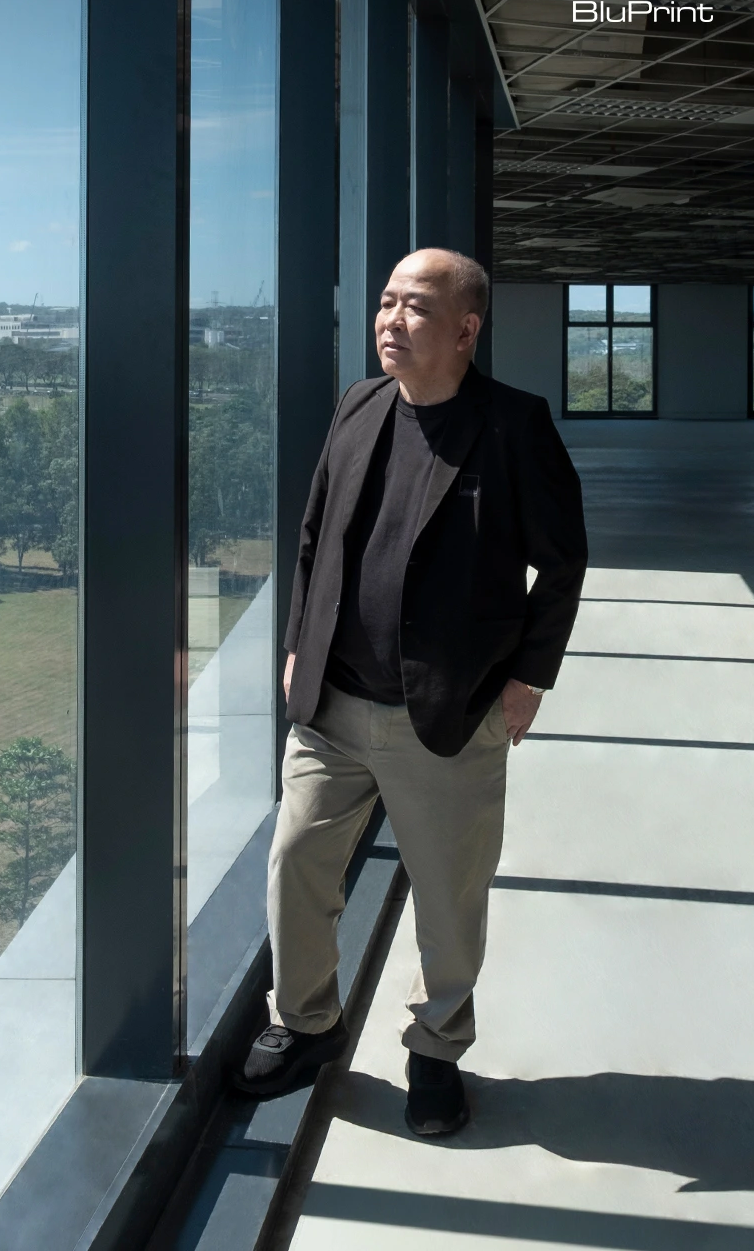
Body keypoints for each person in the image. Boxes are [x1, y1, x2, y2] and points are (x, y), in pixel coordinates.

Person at [233, 248, 588, 1136]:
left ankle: (434, 1053)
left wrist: (529, 677)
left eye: (415, 307)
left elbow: (565, 558)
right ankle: (306, 1025)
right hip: (335, 705)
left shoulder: (513, 426)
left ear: (466, 330)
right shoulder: (359, 405)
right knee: (296, 864)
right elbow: (315, 533)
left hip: (450, 712)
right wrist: (296, 645)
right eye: (387, 302)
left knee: (447, 901)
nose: (392, 319)